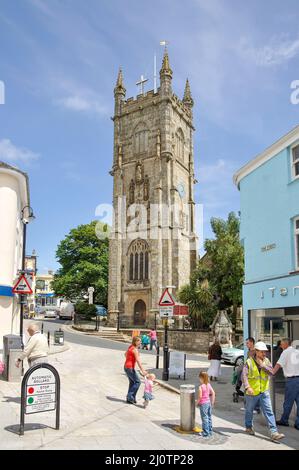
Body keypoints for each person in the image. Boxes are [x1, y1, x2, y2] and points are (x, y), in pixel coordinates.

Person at [242, 341, 285, 442]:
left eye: (265, 352)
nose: (264, 354)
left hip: (264, 392)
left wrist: (262, 365)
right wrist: (248, 387)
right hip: (252, 393)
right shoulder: (249, 362)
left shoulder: (266, 361)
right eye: (262, 352)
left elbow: (272, 372)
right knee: (249, 411)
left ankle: (274, 433)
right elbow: (244, 376)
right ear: (256, 351)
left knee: (269, 412)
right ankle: (248, 427)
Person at [271, 338, 299, 430]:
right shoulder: (296, 351)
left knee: (288, 402)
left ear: (286, 344)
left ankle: (284, 420)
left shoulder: (285, 352)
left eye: (282, 344)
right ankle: (298, 423)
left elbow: (278, 365)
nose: (280, 346)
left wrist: (271, 373)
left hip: (292, 380)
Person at [124, 336, 147, 404]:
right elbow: (138, 361)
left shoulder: (130, 347)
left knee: (132, 382)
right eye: (139, 341)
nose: (141, 342)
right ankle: (129, 396)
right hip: (130, 367)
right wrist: (143, 370)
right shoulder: (135, 350)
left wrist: (129, 359)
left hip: (126, 367)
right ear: (136, 342)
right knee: (138, 382)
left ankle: (131, 399)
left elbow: (125, 354)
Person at [197, 371, 215, 437]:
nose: (199, 380)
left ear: (202, 378)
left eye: (199, 378)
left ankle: (205, 432)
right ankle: (210, 431)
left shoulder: (201, 387)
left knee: (204, 418)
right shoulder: (208, 385)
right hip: (208, 403)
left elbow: (200, 397)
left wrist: (196, 403)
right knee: (209, 417)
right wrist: (212, 403)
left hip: (203, 404)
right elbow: (213, 393)